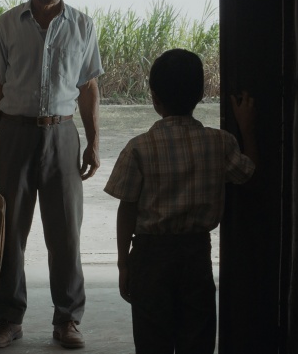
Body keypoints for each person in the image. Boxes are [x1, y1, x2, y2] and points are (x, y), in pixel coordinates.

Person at [0, 0, 103, 350]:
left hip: (62, 135)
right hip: (14, 134)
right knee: (9, 231)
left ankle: (67, 320)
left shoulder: (82, 26)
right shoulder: (7, 24)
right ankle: (9, 320)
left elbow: (88, 88)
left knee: (65, 233)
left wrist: (94, 142)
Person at [104, 49, 258, 353]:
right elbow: (248, 172)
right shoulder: (220, 143)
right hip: (196, 255)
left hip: (150, 258)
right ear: (200, 94)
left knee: (152, 341)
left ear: (154, 98)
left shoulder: (138, 148)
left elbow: (127, 210)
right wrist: (248, 128)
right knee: (197, 338)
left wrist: (123, 263)